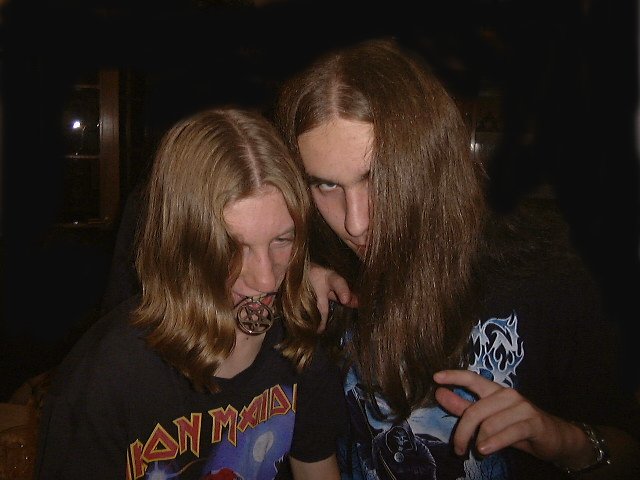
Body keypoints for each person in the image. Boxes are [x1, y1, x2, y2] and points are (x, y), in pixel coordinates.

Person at [273, 37, 640, 479]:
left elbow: (628, 451)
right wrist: (292, 275)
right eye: (326, 185)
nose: (355, 222)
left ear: (432, 160)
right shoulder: (326, 277)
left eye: (378, 178)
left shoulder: (551, 278)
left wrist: (563, 441)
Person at [34, 107, 346, 480]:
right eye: (233, 248)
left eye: (282, 240)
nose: (266, 280)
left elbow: (317, 467)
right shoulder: (105, 378)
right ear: (184, 247)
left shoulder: (299, 339)